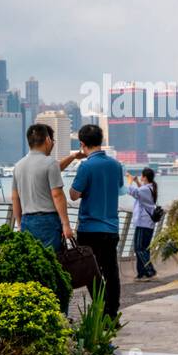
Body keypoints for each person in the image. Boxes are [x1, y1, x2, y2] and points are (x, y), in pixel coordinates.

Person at [67, 123, 125, 320]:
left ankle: (100, 312)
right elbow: (118, 188)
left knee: (92, 273)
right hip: (111, 227)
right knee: (111, 271)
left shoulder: (86, 166)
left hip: (90, 228)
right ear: (101, 141)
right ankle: (111, 313)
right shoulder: (116, 165)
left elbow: (74, 195)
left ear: (82, 144)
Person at [10, 122, 75, 252]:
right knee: (52, 261)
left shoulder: (18, 166)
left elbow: (14, 197)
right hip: (48, 222)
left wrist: (19, 224)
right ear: (47, 140)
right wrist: (66, 225)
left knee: (33, 262)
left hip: (26, 221)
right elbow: (57, 195)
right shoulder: (50, 163)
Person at [126, 167, 159, 280]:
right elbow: (141, 193)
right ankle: (141, 273)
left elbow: (132, 192)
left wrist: (129, 181)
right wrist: (137, 182)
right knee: (144, 248)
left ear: (144, 177)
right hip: (147, 223)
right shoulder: (150, 188)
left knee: (139, 248)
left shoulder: (146, 189)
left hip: (143, 223)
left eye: (141, 175)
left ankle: (150, 271)